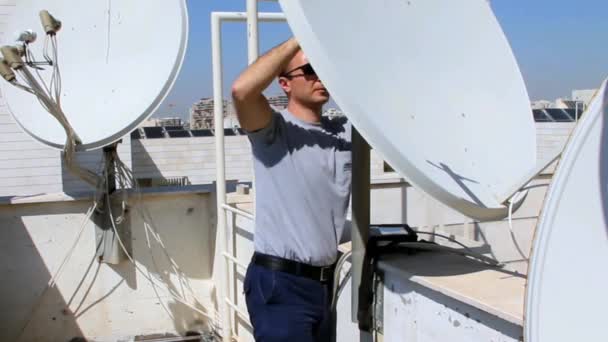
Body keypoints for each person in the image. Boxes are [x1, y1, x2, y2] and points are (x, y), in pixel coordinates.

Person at [231, 37, 352, 342]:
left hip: (325, 286)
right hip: (280, 286)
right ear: (285, 84)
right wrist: (303, 35)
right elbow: (242, 91)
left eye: (322, 68)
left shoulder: (344, 136)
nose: (319, 76)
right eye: (310, 69)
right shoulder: (273, 131)